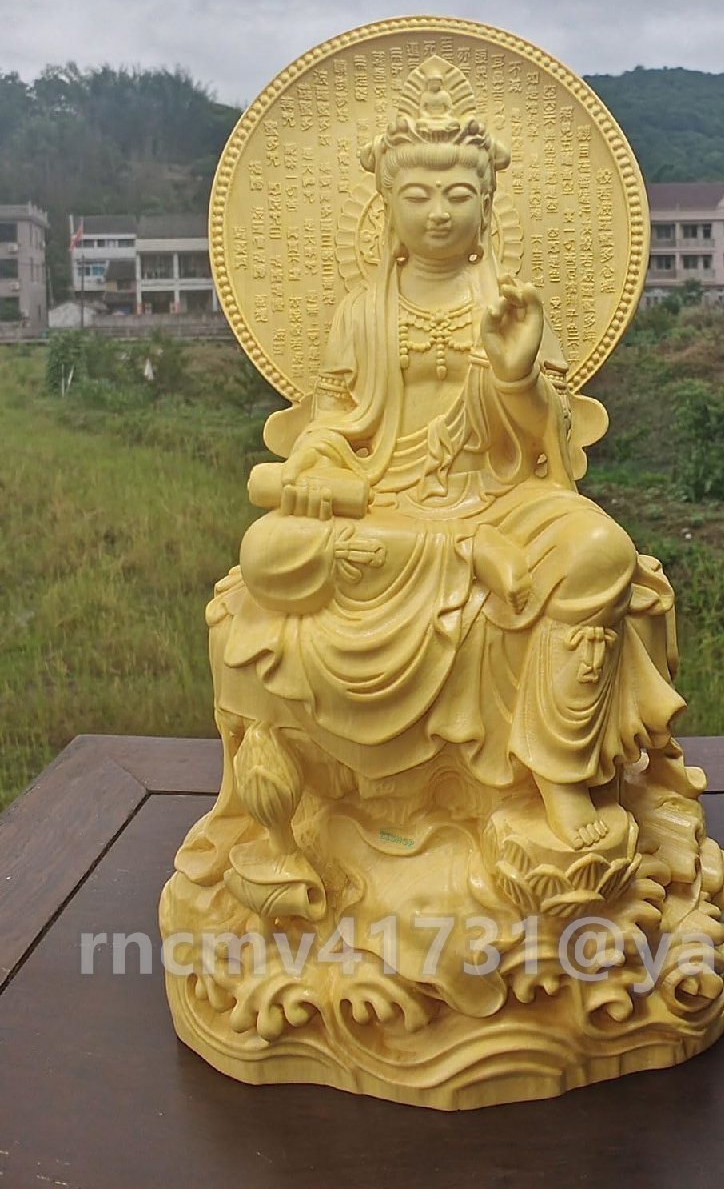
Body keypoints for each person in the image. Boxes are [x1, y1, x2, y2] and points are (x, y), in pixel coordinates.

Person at [202, 58, 694, 869]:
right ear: (387, 207)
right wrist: (321, 466)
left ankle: (559, 772)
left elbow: (554, 450)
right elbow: (329, 426)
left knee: (601, 553)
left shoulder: (512, 302)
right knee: (268, 555)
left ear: (488, 203)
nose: (438, 213)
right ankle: (465, 559)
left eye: (459, 195)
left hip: (505, 499)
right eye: (418, 196)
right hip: (390, 510)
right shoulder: (361, 311)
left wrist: (515, 372)